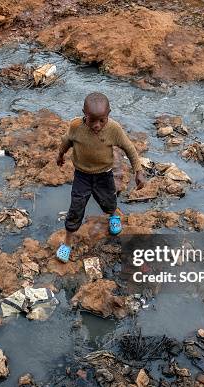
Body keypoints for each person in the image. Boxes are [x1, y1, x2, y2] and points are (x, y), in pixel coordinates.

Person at [55, 92, 145, 262]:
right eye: (92, 120)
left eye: (102, 120)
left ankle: (113, 216)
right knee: (76, 207)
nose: (97, 125)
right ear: (84, 114)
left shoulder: (113, 128)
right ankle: (67, 243)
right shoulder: (76, 126)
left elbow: (129, 148)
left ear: (108, 114)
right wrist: (60, 155)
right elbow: (66, 140)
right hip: (82, 175)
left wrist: (138, 171)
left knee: (109, 200)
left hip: (104, 174)